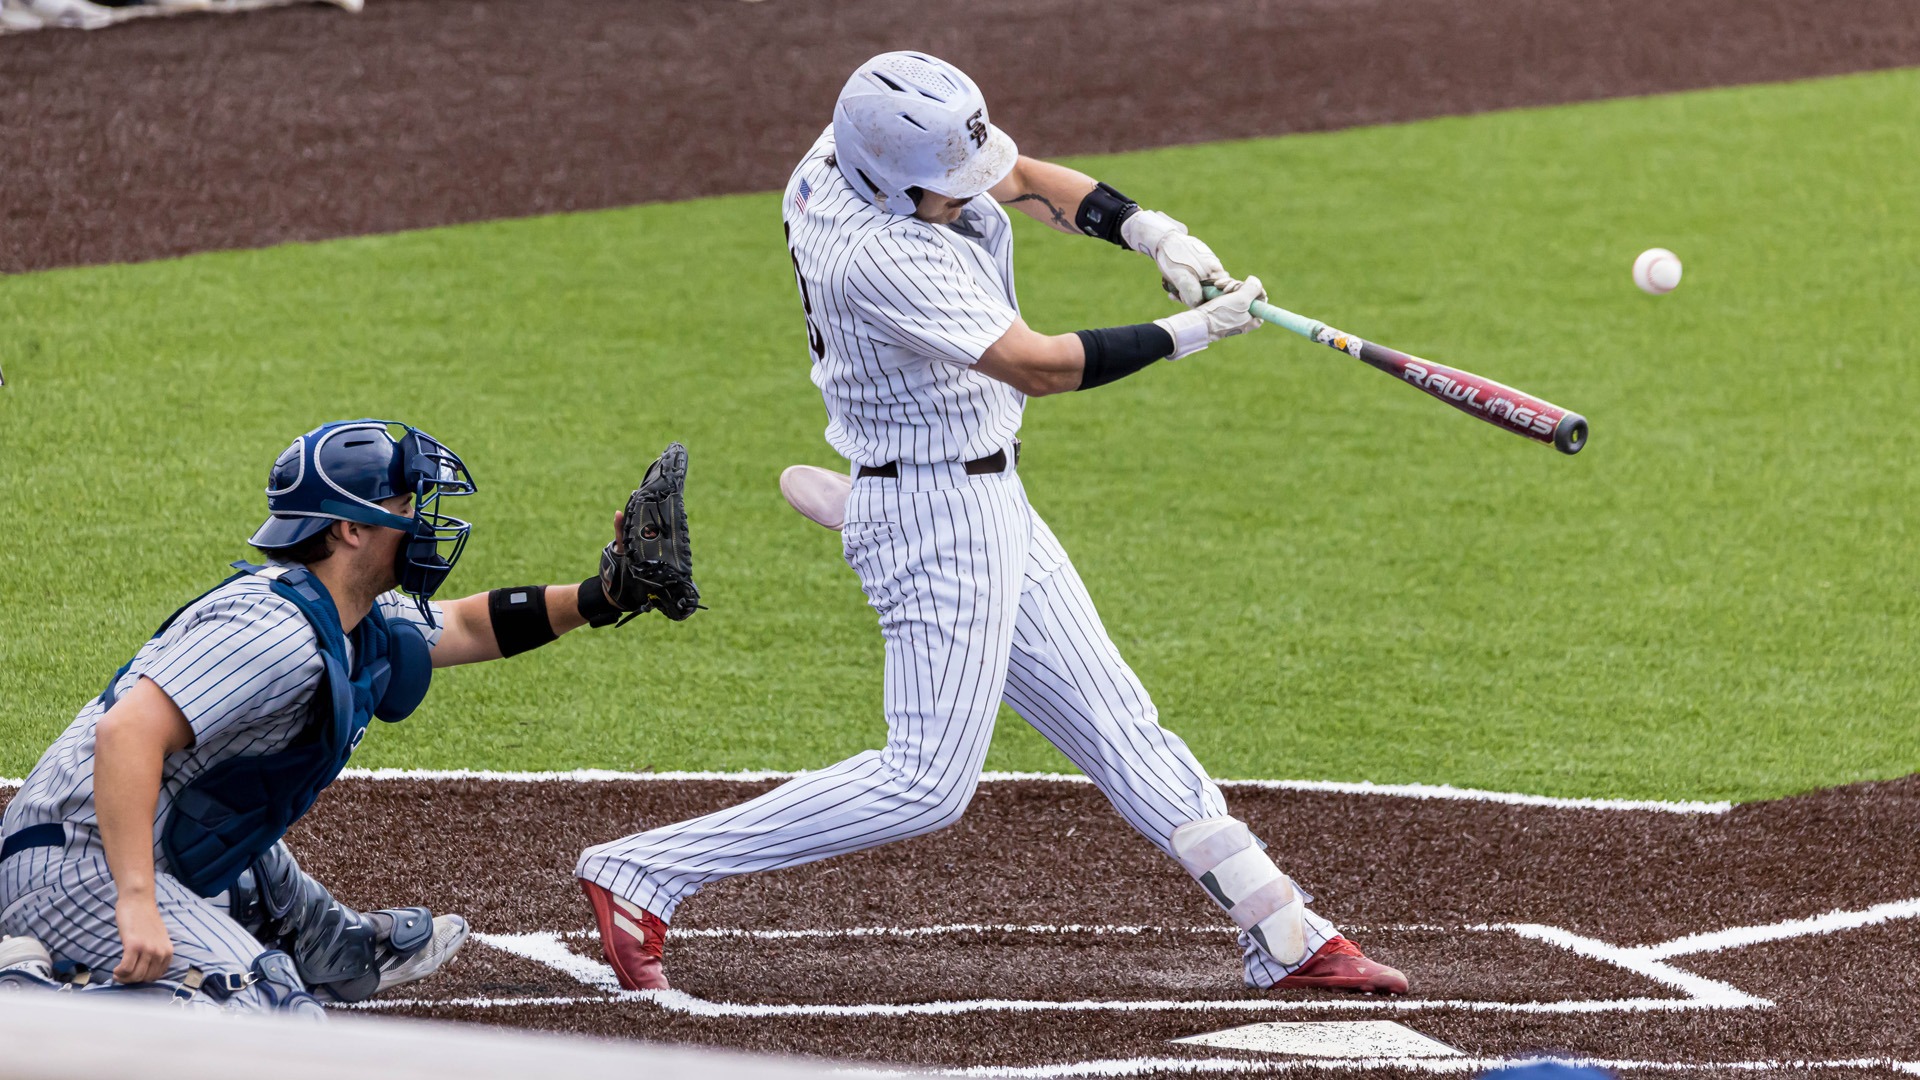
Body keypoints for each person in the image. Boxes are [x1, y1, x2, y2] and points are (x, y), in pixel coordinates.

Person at [575, 52, 1408, 996]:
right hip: (936, 516)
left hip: (977, 492)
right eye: (945, 188)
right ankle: (644, 870)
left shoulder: (852, 153)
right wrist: (1196, 332)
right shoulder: (882, 255)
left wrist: (1150, 232)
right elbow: (1039, 364)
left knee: (1122, 729)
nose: (972, 194)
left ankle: (1286, 933)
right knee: (927, 782)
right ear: (891, 181)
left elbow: (1016, 176)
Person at [0, 420, 695, 1012]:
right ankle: (31, 998)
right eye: (406, 504)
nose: (425, 521)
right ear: (350, 529)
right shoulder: (270, 630)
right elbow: (126, 733)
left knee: (255, 855)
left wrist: (604, 594)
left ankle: (325, 944)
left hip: (145, 839)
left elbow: (468, 625)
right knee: (266, 1014)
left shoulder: (349, 614)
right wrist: (135, 900)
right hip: (77, 864)